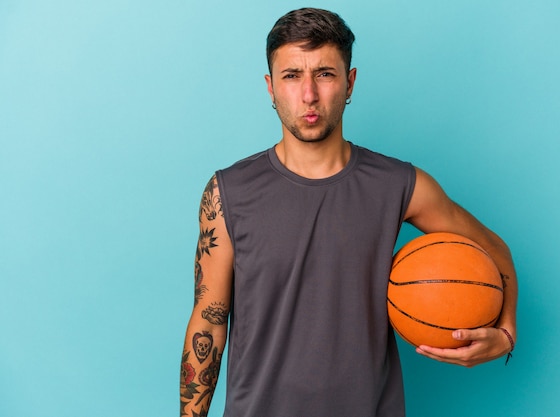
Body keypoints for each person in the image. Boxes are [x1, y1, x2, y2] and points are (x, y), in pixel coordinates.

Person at [180, 7, 517, 417]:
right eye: (291, 76)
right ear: (270, 87)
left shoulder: (400, 185)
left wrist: (505, 332)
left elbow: (494, 250)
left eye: (324, 73)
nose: (309, 94)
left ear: (350, 81)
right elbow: (210, 322)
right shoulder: (228, 192)